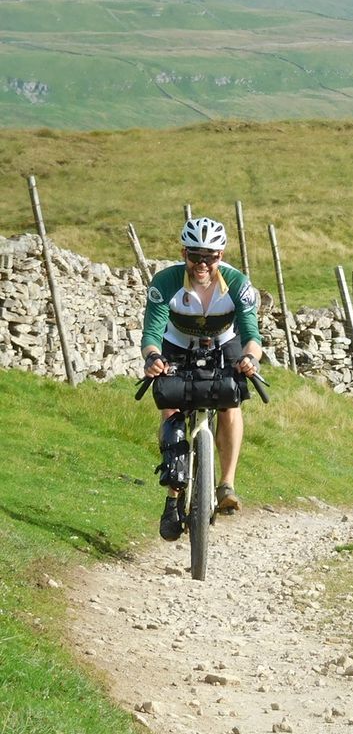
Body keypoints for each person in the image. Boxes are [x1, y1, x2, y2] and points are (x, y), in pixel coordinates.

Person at [141, 216, 263, 541]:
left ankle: (226, 485)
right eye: (195, 256)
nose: (202, 264)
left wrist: (250, 359)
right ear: (184, 253)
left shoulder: (238, 284)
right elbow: (152, 333)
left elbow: (253, 335)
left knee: (230, 400)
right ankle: (172, 498)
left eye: (210, 256)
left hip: (225, 340)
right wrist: (153, 358)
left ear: (220, 256)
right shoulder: (165, 282)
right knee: (170, 404)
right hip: (177, 342)